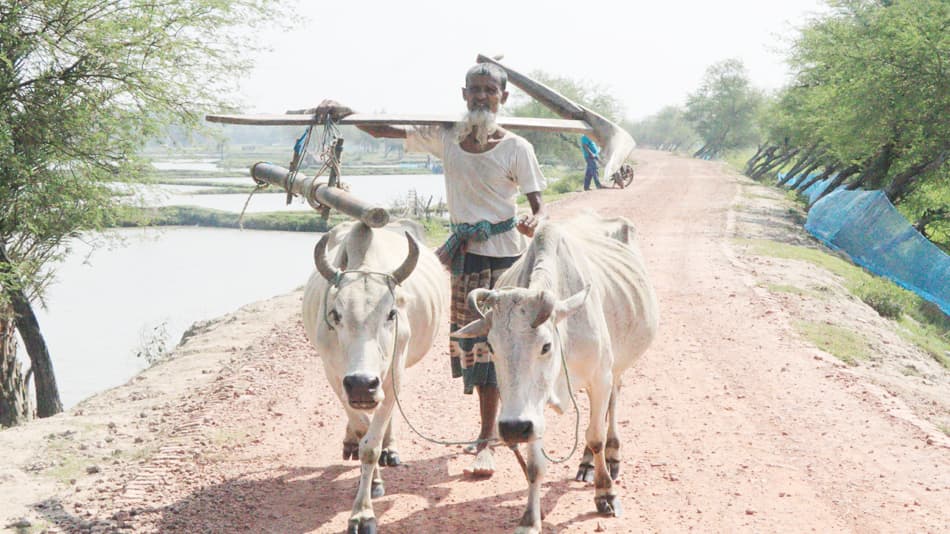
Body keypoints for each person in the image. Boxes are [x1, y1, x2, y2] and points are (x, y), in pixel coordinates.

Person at [312, 62, 546, 478]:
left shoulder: (517, 148)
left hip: (508, 259)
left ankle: (487, 439)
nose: (481, 97)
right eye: (474, 90)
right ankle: (488, 435)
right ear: (463, 95)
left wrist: (533, 221)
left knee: (506, 351)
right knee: (475, 353)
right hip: (465, 257)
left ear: (503, 98)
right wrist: (347, 114)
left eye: (490, 91)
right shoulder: (448, 138)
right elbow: (389, 131)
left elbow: (537, 207)